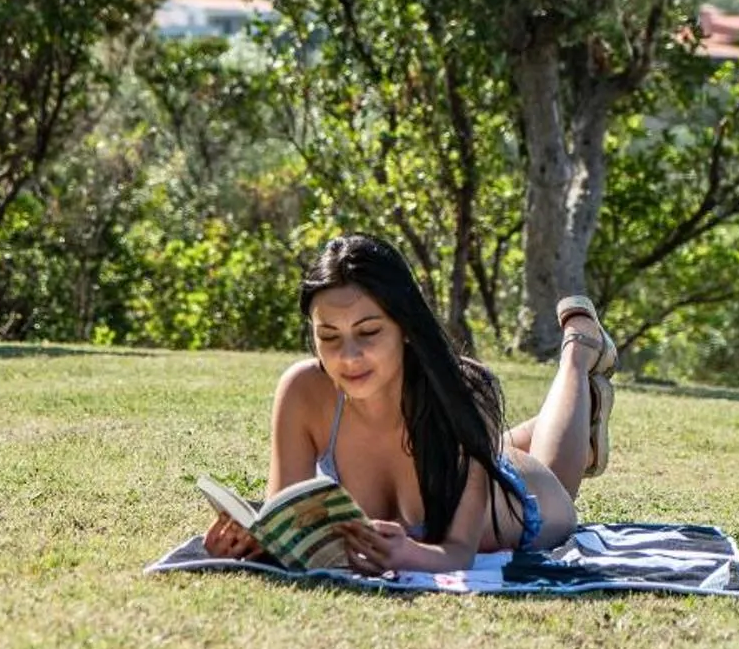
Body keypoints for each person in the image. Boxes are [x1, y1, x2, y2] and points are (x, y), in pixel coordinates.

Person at [204, 233, 617, 575]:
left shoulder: (464, 392)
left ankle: (579, 351)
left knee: (557, 476)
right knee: (479, 444)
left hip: (526, 505)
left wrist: (410, 555)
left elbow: (457, 553)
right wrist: (250, 542)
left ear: (404, 326)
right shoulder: (303, 391)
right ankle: (496, 443)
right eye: (328, 336)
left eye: (368, 332)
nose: (348, 357)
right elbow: (286, 524)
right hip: (464, 449)